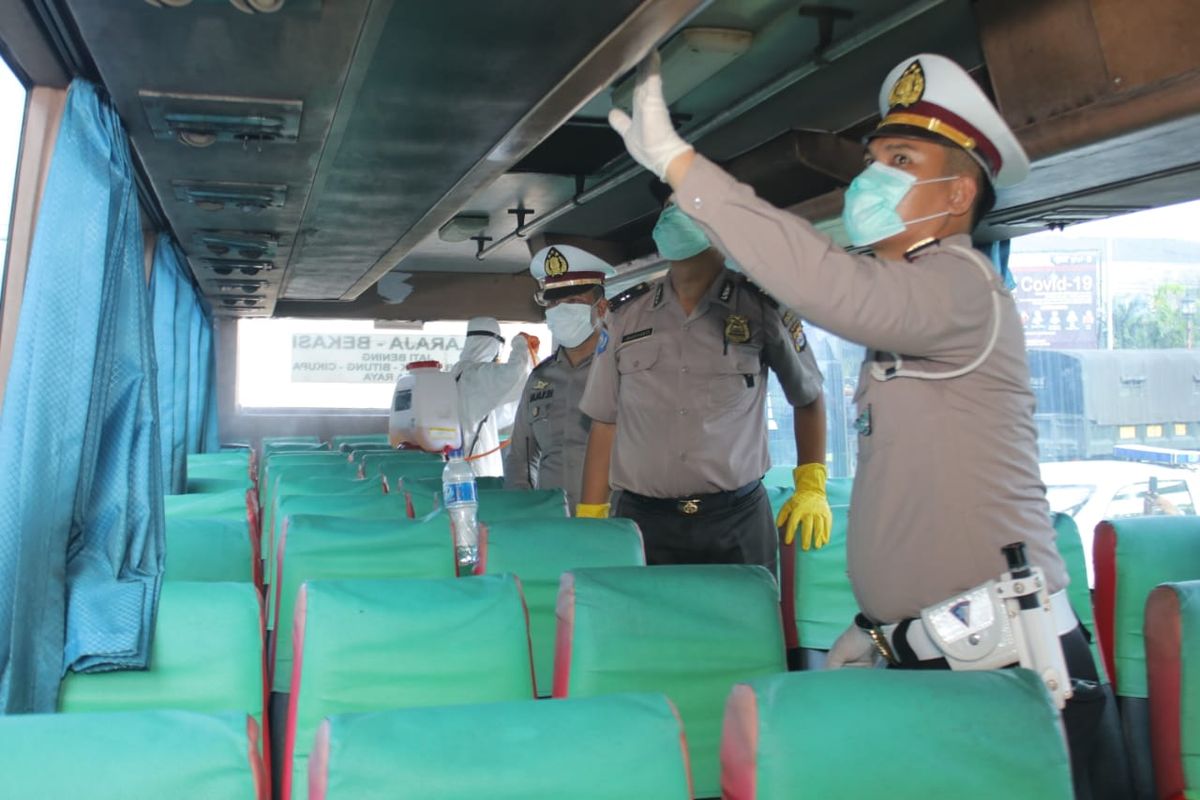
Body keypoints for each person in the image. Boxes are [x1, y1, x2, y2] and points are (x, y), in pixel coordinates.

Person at [607, 50, 1128, 799]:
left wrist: (683, 166)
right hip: (942, 658)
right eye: (874, 158)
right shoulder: (912, 304)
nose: (870, 178)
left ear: (955, 196)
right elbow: (919, 503)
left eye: (901, 159)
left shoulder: (961, 286)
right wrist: (879, 628)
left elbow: (830, 286)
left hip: (1016, 679)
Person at [575, 186, 830, 573]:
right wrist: (591, 516)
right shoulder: (625, 316)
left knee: (747, 630)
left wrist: (811, 484)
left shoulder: (761, 310)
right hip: (644, 520)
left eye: (690, 204)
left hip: (736, 519)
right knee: (642, 633)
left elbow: (808, 397)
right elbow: (605, 421)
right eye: (668, 206)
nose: (674, 213)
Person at [505, 245, 615, 507]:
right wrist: (525, 512)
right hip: (553, 523)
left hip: (612, 522)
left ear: (601, 308)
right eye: (554, 303)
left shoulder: (622, 370)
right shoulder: (540, 378)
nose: (560, 310)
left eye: (573, 301)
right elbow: (521, 457)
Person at [451, 316, 536, 478]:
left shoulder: (457, 373)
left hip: (457, 466)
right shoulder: (477, 374)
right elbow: (517, 374)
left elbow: (498, 416)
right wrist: (521, 344)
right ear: (495, 344)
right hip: (475, 470)